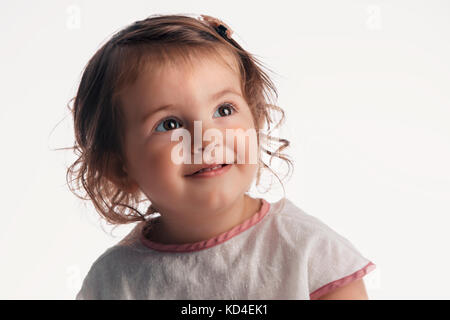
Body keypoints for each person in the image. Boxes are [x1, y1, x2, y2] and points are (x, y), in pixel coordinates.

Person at [69, 13, 376, 300]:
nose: (206, 137)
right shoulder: (112, 282)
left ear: (255, 121)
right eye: (169, 124)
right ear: (119, 167)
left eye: (224, 110)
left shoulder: (311, 253)